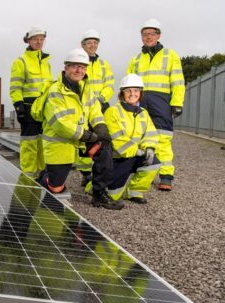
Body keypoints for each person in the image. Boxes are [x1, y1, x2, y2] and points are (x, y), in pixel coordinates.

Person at [38, 48, 123, 210]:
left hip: (81, 140)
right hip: (61, 144)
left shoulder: (86, 88)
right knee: (55, 188)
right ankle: (45, 177)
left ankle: (99, 194)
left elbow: (94, 111)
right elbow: (61, 125)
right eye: (75, 66)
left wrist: (101, 129)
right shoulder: (56, 91)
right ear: (66, 67)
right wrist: (89, 136)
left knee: (105, 146)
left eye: (82, 67)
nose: (79, 70)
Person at [127, 18, 185, 191]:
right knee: (140, 136)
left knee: (163, 138)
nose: (148, 37)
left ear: (158, 35)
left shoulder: (170, 55)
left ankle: (166, 176)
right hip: (141, 101)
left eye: (152, 33)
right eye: (145, 34)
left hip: (162, 101)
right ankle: (146, 171)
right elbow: (129, 83)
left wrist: (177, 103)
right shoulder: (136, 59)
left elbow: (177, 80)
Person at [103, 74, 160, 204]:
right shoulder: (113, 111)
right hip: (117, 158)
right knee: (112, 196)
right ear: (122, 93)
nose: (132, 93)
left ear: (140, 93)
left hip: (134, 155)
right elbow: (118, 139)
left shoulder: (143, 112)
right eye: (128, 90)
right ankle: (95, 185)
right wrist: (137, 151)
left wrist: (149, 148)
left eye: (136, 90)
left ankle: (134, 192)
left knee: (154, 163)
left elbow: (150, 133)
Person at [9, 25, 53, 178]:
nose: (39, 41)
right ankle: (28, 175)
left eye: (41, 39)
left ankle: (41, 173)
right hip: (28, 108)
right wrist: (19, 106)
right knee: (29, 143)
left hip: (44, 108)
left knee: (42, 142)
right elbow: (15, 86)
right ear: (28, 40)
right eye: (35, 39)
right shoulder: (21, 61)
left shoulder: (46, 62)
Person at [76, 29, 115, 187]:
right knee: (84, 138)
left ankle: (100, 171)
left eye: (95, 43)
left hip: (100, 106)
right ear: (83, 45)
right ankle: (86, 174)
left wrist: (101, 98)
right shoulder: (78, 62)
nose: (93, 45)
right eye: (89, 43)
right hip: (83, 107)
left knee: (102, 138)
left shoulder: (104, 64)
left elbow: (110, 84)